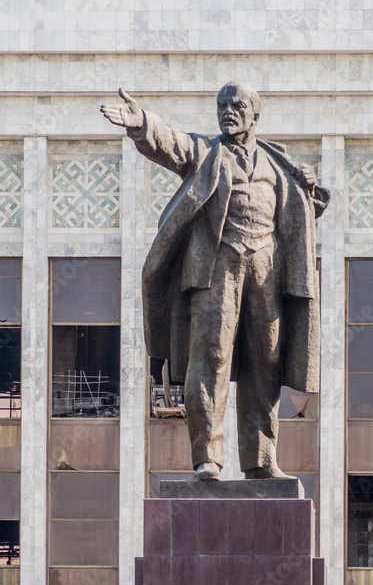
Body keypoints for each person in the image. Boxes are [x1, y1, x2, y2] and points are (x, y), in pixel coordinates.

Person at [101, 82, 330, 481]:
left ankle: (261, 460)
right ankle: (208, 458)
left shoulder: (278, 161)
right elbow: (170, 144)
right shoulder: (205, 152)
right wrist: (142, 123)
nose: (227, 111)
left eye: (237, 105)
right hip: (216, 266)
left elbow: (303, 213)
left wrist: (309, 189)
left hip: (267, 267)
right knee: (210, 358)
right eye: (222, 105)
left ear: (255, 114)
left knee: (266, 361)